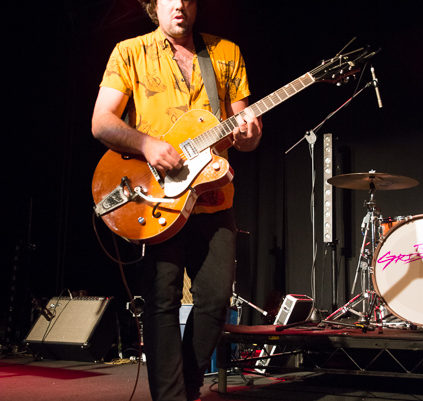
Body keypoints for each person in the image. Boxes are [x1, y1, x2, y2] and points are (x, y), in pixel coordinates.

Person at [91, 0, 262, 400]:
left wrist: (250, 135)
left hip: (213, 196)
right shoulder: (130, 51)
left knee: (215, 301)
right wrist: (147, 144)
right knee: (162, 300)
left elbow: (244, 129)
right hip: (156, 199)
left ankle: (186, 385)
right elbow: (101, 122)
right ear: (154, 5)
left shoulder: (226, 52)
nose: (180, 5)